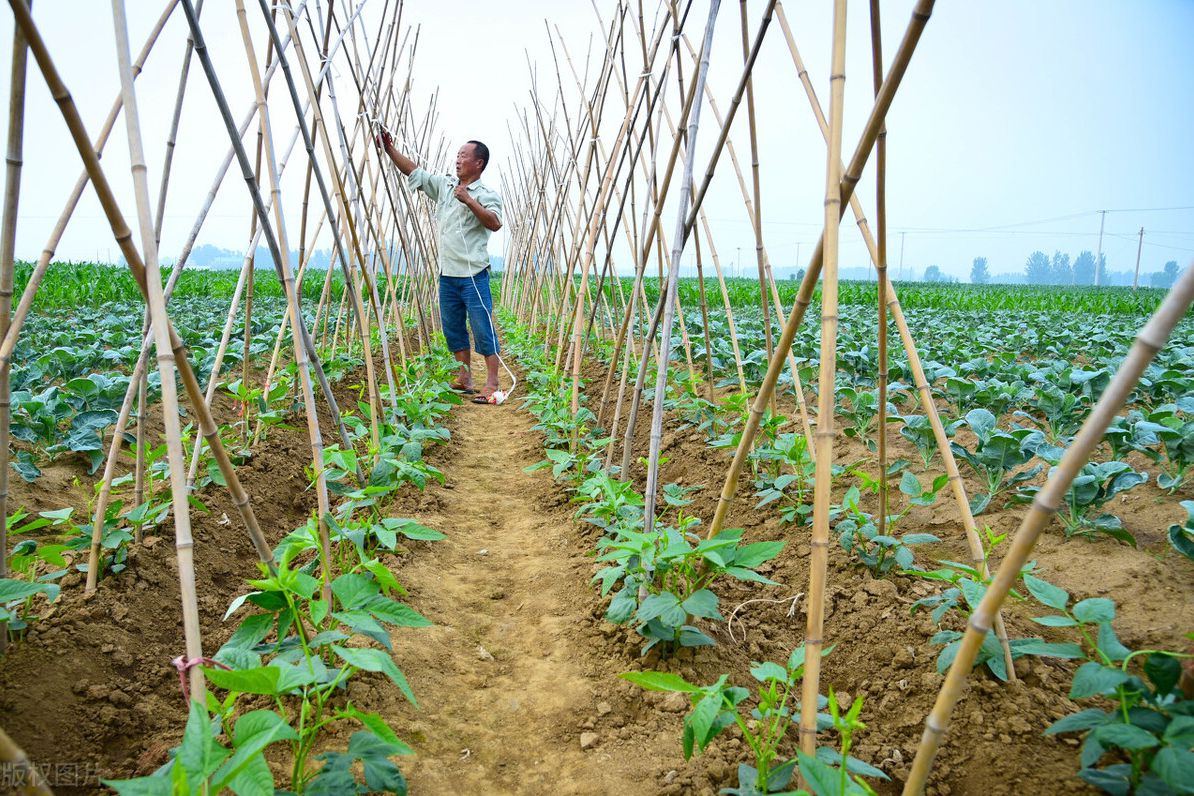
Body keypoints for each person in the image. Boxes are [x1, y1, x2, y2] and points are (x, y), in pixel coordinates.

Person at [376, 130, 504, 404]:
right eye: (457, 155)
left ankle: (492, 383)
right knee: (453, 328)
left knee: (482, 328)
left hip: (473, 276)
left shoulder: (485, 194)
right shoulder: (445, 187)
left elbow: (494, 223)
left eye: (463, 156)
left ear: (478, 163)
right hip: (448, 276)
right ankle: (465, 378)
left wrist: (468, 200)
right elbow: (416, 173)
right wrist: (390, 149)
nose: (457, 160)